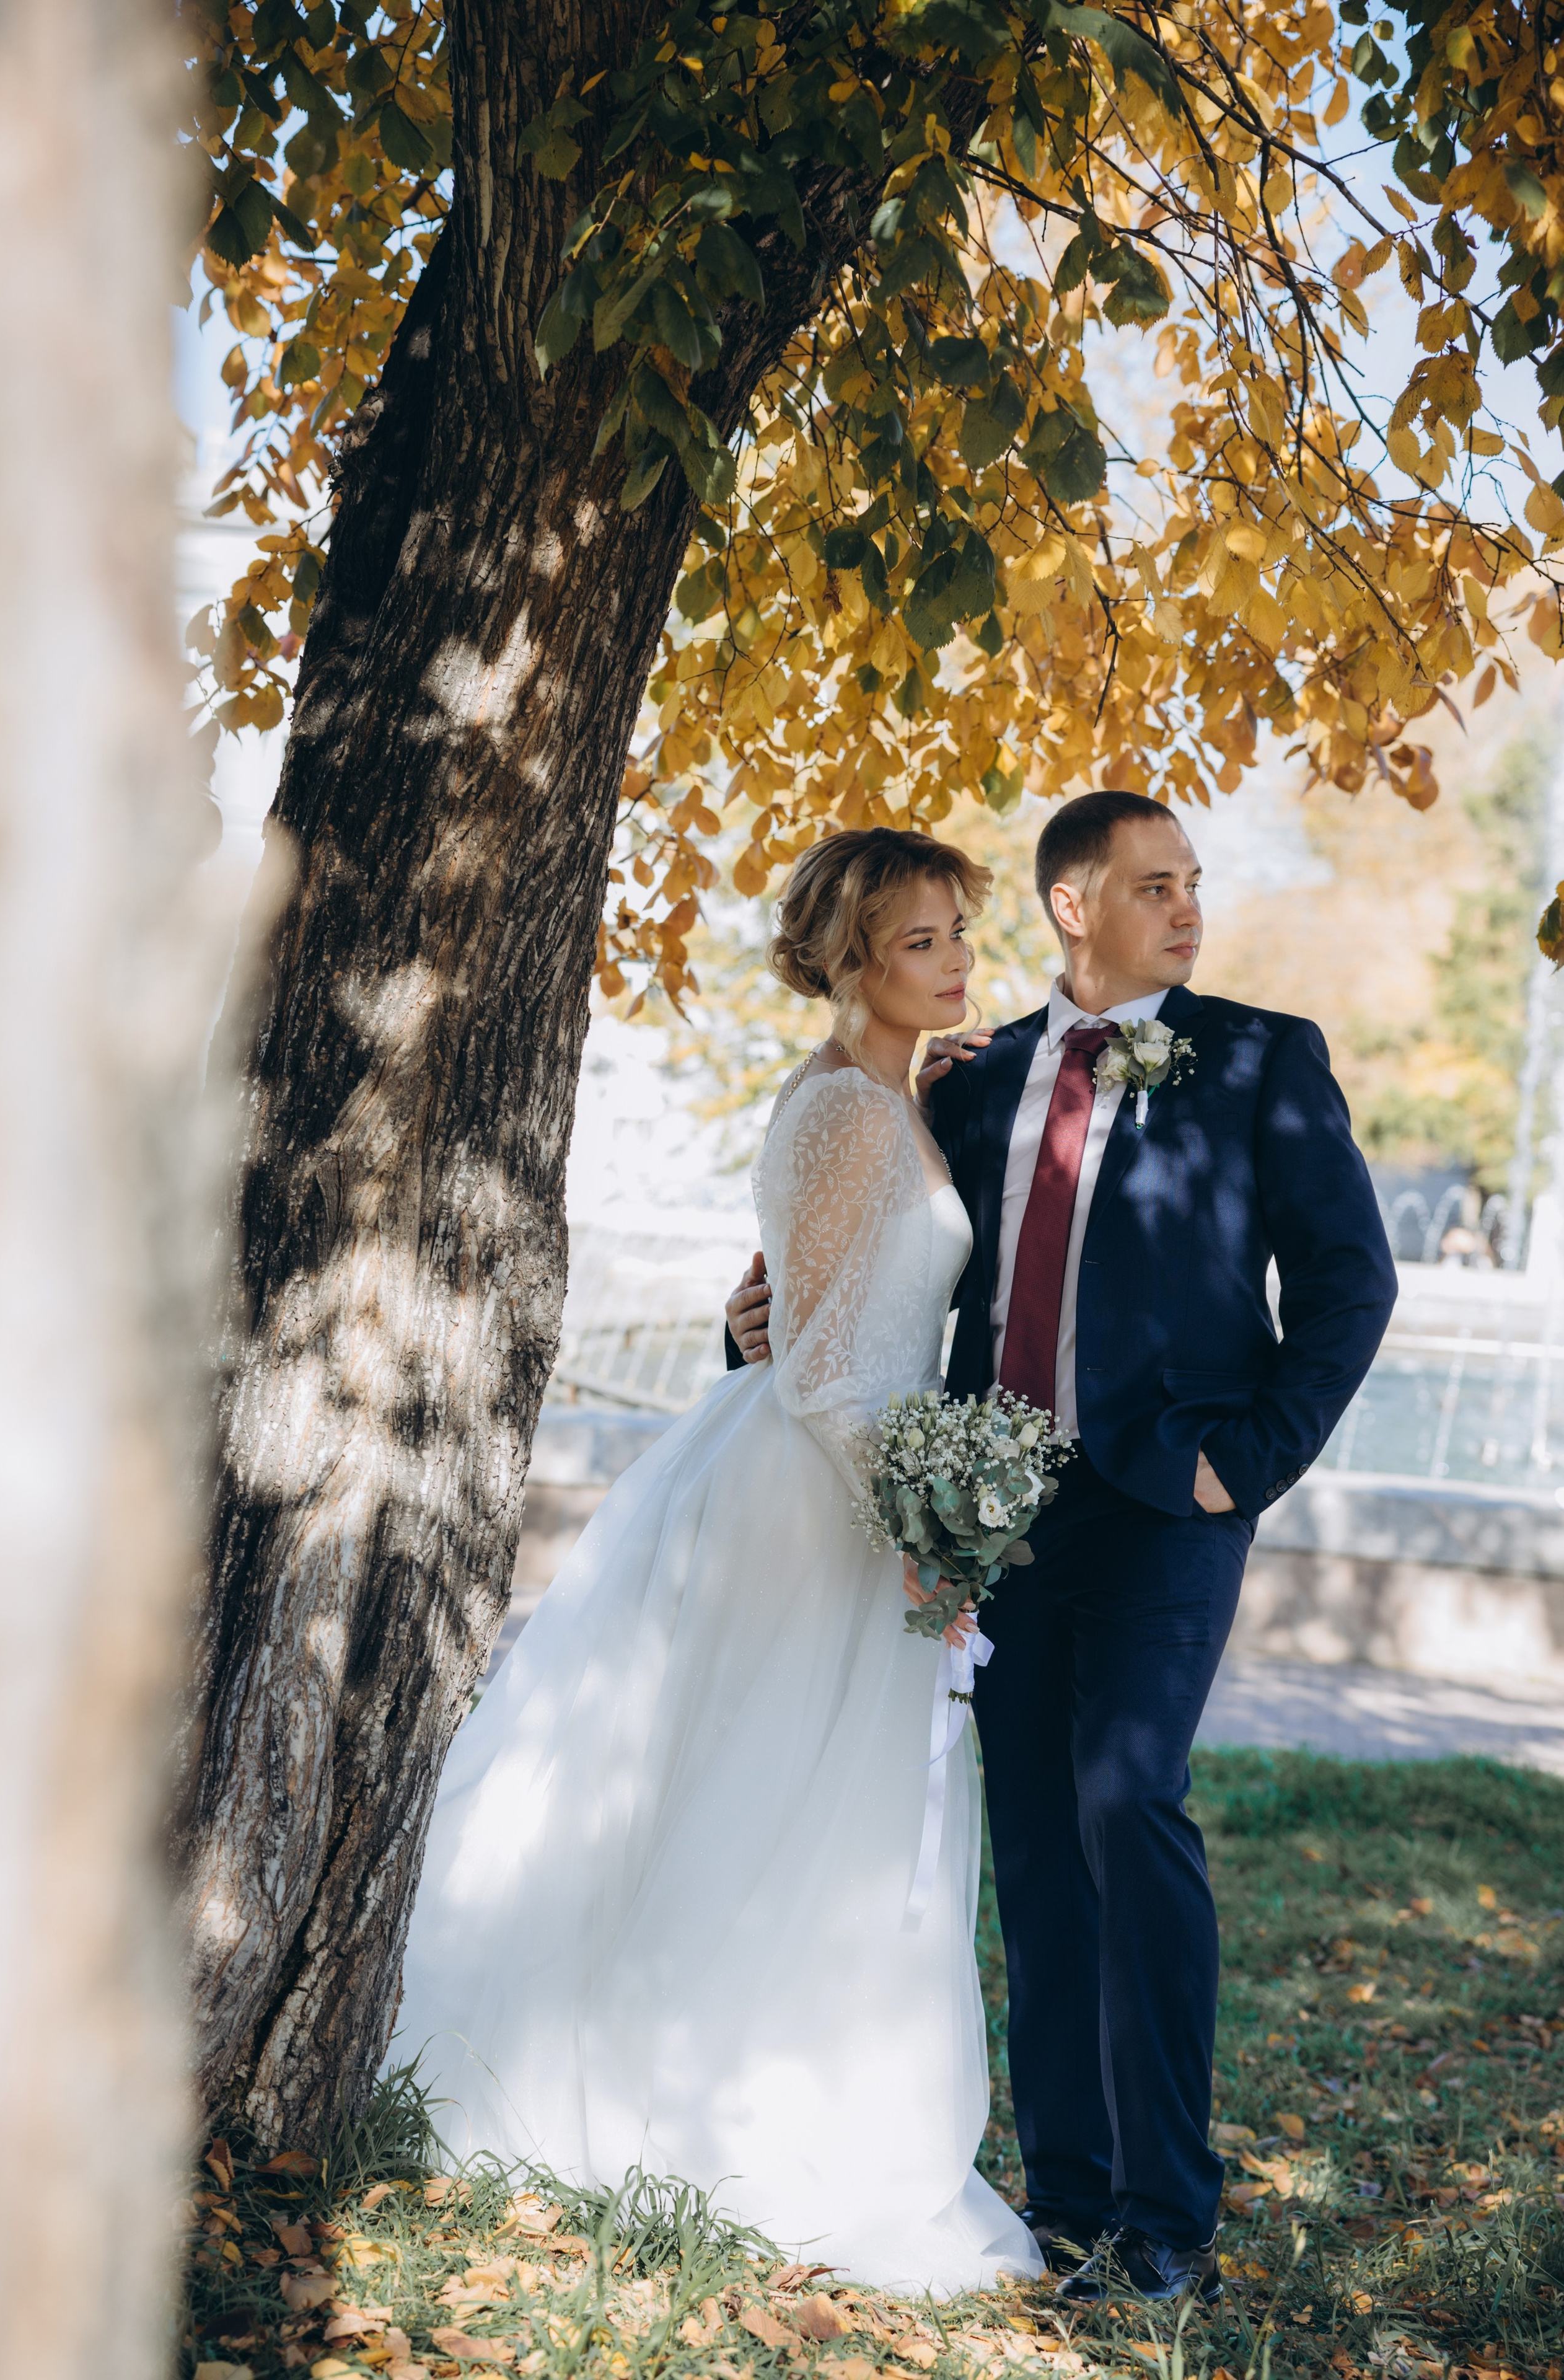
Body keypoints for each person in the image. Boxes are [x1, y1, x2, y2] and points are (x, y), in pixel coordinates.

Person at [727, 790, 1397, 2303]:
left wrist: (1248, 1464)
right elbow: (860, 1267)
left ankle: (1167, 2219)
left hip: (1172, 1507)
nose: (1189, 911)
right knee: (1030, 1849)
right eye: (1154, 886)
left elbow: (1350, 1288)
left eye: (1194, 885)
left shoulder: (1259, 1058)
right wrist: (742, 1323)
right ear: (1070, 907)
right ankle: (1071, 2204)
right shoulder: (972, 1077)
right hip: (999, 1514)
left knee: (1127, 1809)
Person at [395, 828, 1043, 2295]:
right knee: (763, 1797)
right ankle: (687, 2113)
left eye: (954, 933)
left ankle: (781, 2086)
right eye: (921, 942)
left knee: (824, 1811)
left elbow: (810, 1315)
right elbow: (816, 1367)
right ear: (850, 962)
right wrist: (926, 1524)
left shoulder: (893, 1097)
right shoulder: (839, 1113)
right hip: (816, 1498)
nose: (952, 961)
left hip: (842, 1485)